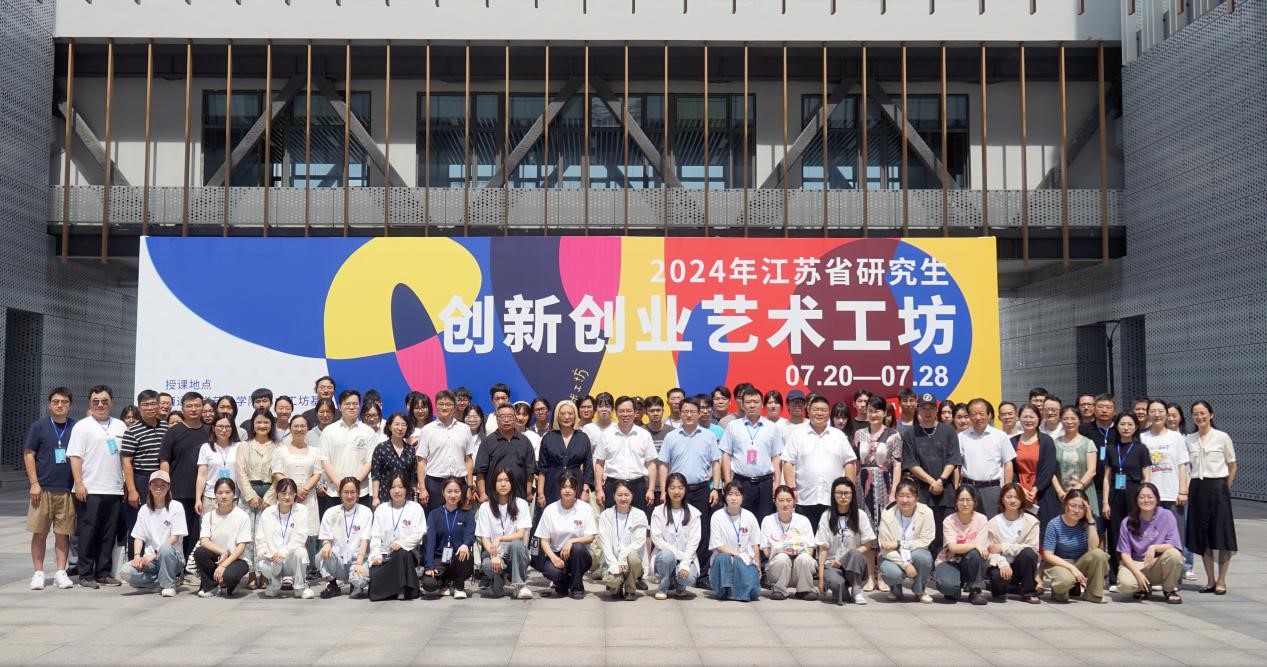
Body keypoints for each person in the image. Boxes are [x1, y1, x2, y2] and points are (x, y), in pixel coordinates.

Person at [67, 385, 127, 589]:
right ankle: (85, 574)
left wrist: (125, 485)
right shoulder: (82, 426)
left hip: (114, 489)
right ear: (90, 403)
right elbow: (75, 457)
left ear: (111, 402)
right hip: (90, 489)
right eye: (96, 401)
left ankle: (103, 572)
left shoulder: (120, 426)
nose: (100, 405)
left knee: (108, 533)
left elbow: (124, 458)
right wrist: (79, 483)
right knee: (88, 533)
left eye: (104, 401)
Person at [656, 398, 720, 587]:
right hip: (676, 491)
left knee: (702, 532)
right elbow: (663, 464)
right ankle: (672, 571)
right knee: (673, 530)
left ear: (699, 413)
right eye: (685, 411)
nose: (689, 415)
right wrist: (663, 490)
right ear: (680, 413)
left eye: (693, 411)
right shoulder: (671, 437)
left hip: (701, 489)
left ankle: (701, 575)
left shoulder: (708, 436)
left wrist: (716, 488)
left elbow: (716, 463)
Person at [24, 388, 77, 590]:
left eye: (64, 402)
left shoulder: (75, 427)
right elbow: (29, 454)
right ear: (49, 404)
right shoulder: (39, 426)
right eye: (56, 401)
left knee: (63, 534)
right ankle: (38, 573)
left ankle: (60, 573)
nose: (60, 405)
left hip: (67, 489)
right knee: (40, 533)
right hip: (43, 489)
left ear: (70, 405)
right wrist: (34, 483)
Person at [782, 394, 857, 532]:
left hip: (833, 498)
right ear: (808, 411)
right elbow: (787, 462)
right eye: (816, 409)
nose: (819, 413)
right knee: (806, 537)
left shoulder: (838, 436)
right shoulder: (798, 435)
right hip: (804, 498)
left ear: (829, 413)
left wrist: (848, 489)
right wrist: (791, 489)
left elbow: (849, 462)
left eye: (823, 410)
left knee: (832, 536)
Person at [901, 392, 961, 558]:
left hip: (945, 492)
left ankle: (945, 564)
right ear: (918, 410)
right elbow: (911, 463)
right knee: (923, 532)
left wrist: (941, 480)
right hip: (922, 492)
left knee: (945, 532)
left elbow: (953, 459)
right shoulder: (910, 434)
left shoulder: (948, 431)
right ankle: (925, 564)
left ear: (936, 410)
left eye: (931, 408)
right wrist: (932, 482)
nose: (927, 412)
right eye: (924, 408)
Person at [1185, 400, 1236, 595]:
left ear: (1211, 414)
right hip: (1197, 488)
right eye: (1195, 414)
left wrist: (1224, 489)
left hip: (1217, 487)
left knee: (1222, 534)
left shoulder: (1222, 437)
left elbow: (1232, 465)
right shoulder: (1189, 439)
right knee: (1202, 535)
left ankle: (1221, 580)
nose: (1199, 417)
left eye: (1203, 413)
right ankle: (1210, 580)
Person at [851, 394, 903, 588]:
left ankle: (882, 575)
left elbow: (897, 464)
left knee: (883, 527)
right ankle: (869, 577)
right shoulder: (859, 434)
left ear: (884, 413)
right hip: (862, 484)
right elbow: (856, 462)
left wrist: (894, 491)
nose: (873, 415)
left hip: (884, 482)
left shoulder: (893, 435)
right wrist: (852, 484)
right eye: (870, 411)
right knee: (866, 528)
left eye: (877, 411)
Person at [160, 391, 211, 561]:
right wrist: (166, 486)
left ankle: (192, 566)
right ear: (182, 409)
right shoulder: (173, 432)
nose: (193, 409)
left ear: (203, 407)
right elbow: (164, 460)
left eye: (197, 405)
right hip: (178, 491)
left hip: (204, 493)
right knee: (178, 531)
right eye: (189, 406)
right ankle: (176, 566)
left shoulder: (210, 432)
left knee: (199, 532)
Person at [273, 414, 325, 579]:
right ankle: (286, 569)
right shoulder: (280, 450)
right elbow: (277, 472)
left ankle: (308, 569)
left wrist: (304, 490)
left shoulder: (315, 451)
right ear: (290, 428)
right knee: (287, 531)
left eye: (303, 426)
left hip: (308, 496)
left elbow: (317, 473)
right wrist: (292, 492)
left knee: (308, 533)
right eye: (295, 426)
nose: (299, 429)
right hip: (286, 497)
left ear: (307, 428)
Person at [1102, 412, 1151, 586]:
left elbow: (1146, 476)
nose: (1126, 428)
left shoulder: (1141, 449)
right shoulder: (1110, 448)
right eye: (1122, 424)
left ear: (1136, 427)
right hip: (1115, 494)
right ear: (1116, 426)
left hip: (1134, 492)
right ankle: (1115, 576)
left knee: (1136, 531)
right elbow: (1107, 478)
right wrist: (1105, 502)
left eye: (1130, 424)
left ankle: (1139, 573)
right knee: (1115, 533)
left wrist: (1145, 498)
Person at [720, 387, 783, 520]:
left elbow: (776, 457)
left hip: (765, 483)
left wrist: (777, 482)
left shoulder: (771, 427)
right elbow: (726, 455)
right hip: (741, 482)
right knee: (740, 520)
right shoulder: (733, 426)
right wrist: (727, 481)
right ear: (743, 404)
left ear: (762, 404)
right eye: (748, 402)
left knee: (765, 520)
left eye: (756, 402)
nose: (752, 405)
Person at [120, 471, 187, 597]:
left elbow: (175, 537)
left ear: (168, 487)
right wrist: (137, 556)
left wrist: (155, 554)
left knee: (165, 548)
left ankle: (168, 585)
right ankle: (163, 581)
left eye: (163, 485)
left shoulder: (176, 507)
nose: (158, 488)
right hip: (150, 560)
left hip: (171, 557)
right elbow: (139, 537)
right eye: (155, 484)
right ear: (149, 487)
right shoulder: (144, 510)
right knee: (125, 572)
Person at [1116, 482, 1184, 603]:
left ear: (1157, 499)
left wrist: (1154, 547)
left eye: (1150, 497)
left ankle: (1169, 589)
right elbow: (1124, 553)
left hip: (1157, 562)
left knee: (1174, 554)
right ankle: (1143, 587)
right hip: (1137, 563)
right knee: (1124, 585)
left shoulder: (1167, 515)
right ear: (1136, 500)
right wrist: (1138, 574)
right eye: (1142, 497)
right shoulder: (1127, 522)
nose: (1146, 500)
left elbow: (1173, 543)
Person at [534, 470, 597, 599]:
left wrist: (571, 541)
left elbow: (590, 537)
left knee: (577, 548)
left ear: (576, 489)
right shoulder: (550, 510)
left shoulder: (585, 508)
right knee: (549, 570)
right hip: (557, 553)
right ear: (559, 488)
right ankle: (563, 583)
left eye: (571, 487)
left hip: (579, 555)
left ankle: (577, 587)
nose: (567, 490)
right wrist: (553, 558)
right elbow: (544, 540)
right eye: (564, 487)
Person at [120, 390, 167, 561]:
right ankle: (135, 563)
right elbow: (127, 462)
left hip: (161, 480)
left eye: (153, 403)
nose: (150, 408)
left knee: (160, 522)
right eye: (145, 405)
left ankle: (158, 562)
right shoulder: (132, 431)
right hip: (140, 480)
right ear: (139, 408)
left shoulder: (167, 428)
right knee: (137, 524)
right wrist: (132, 490)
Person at [475, 468, 533, 599]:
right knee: (487, 565)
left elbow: (520, 534)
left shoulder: (521, 504)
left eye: (507, 480)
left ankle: (519, 585)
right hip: (496, 555)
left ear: (512, 483)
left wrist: (500, 538)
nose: (503, 484)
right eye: (499, 480)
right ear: (493, 484)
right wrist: (494, 555)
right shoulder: (485, 508)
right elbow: (485, 539)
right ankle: (499, 580)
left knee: (517, 544)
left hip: (516, 555)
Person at [1042, 488, 1108, 603]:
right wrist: (1072, 568)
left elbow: (1094, 547)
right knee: (1063, 588)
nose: (1077, 510)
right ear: (1065, 504)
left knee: (1099, 554)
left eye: (1081, 507)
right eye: (1073, 505)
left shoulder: (1088, 524)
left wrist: (1090, 520)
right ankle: (1062, 589)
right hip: (1060, 564)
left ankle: (1093, 594)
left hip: (1079, 563)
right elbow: (1048, 555)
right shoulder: (1054, 524)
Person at [594, 395, 658, 513]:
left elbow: (651, 464)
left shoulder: (644, 435)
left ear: (635, 412)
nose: (625, 414)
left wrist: (651, 489)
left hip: (638, 486)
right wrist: (599, 489)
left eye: (629, 411)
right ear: (616, 412)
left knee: (638, 520)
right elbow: (599, 464)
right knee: (613, 520)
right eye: (621, 411)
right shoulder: (607, 435)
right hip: (613, 485)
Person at [815, 477, 873, 605]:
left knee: (855, 553)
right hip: (832, 564)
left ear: (852, 494)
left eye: (846, 493)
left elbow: (867, 545)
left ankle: (856, 589)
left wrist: (844, 559)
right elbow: (823, 548)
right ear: (833, 495)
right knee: (839, 589)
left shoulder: (860, 515)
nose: (843, 496)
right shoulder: (826, 516)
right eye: (839, 493)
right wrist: (821, 579)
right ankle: (844, 590)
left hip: (854, 563)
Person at [368, 474, 426, 601]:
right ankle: (398, 589)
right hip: (386, 554)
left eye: (400, 487)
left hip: (409, 553)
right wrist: (376, 555)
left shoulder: (415, 508)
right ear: (388, 489)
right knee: (374, 579)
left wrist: (402, 544)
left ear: (407, 489)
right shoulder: (381, 509)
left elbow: (419, 533)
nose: (397, 491)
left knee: (402, 554)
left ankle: (402, 589)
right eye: (393, 487)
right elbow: (375, 536)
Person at [237, 409, 278, 590]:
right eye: (258, 422)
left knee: (266, 535)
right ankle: (251, 573)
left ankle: (265, 573)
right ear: (252, 425)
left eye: (266, 422)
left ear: (271, 425)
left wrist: (269, 497)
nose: (262, 425)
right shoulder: (243, 446)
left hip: (270, 494)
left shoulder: (278, 447)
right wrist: (250, 495)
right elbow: (240, 472)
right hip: (248, 495)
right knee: (248, 535)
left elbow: (279, 473)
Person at [318, 390, 376, 517]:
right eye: (347, 404)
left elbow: (370, 461)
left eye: (355, 404)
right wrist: (341, 484)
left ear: (359, 406)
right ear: (340, 406)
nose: (351, 407)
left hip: (360, 492)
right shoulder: (329, 431)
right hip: (334, 491)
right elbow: (324, 460)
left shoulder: (368, 432)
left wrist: (354, 484)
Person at [417, 391, 475, 512]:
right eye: (441, 404)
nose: (444, 407)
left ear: (454, 406)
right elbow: (421, 461)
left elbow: (468, 460)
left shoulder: (464, 429)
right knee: (435, 518)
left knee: (460, 518)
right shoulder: (427, 430)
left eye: (448, 404)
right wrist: (422, 489)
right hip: (434, 483)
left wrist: (469, 487)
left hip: (460, 482)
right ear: (436, 406)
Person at [878, 479, 935, 603]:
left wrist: (899, 544)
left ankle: (920, 590)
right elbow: (885, 546)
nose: (904, 500)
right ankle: (895, 589)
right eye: (901, 496)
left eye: (909, 496)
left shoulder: (926, 512)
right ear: (896, 497)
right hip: (892, 555)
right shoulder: (887, 513)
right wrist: (906, 565)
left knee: (924, 558)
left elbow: (925, 540)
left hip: (915, 552)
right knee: (891, 573)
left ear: (917, 498)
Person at [957, 397, 1015, 518]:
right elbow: (956, 466)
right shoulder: (961, 437)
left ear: (989, 415)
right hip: (968, 488)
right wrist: (957, 488)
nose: (978, 417)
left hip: (992, 489)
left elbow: (1008, 463)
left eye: (981, 413)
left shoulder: (1000, 436)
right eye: (974, 414)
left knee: (992, 523)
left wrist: (1006, 489)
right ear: (969, 416)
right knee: (968, 522)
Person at [255, 478, 313, 599]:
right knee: (263, 563)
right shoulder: (268, 512)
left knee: (301, 552)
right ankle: (274, 584)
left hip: (290, 558)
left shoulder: (301, 510)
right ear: (277, 494)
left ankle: (300, 587)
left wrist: (284, 552)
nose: (287, 497)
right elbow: (261, 538)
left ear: (295, 495)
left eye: (291, 493)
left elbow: (300, 537)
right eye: (283, 493)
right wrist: (271, 554)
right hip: (273, 558)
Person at [193, 477, 251, 598]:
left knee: (229, 576)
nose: (224, 496)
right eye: (220, 493)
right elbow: (204, 541)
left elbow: (241, 546)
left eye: (228, 492)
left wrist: (224, 565)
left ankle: (229, 585)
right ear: (215, 495)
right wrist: (222, 552)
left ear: (234, 494)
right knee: (200, 552)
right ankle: (211, 586)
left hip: (236, 559)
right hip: (217, 558)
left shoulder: (242, 516)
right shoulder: (209, 516)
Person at [933, 485, 990, 605]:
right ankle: (955, 588)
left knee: (976, 554)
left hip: (970, 561)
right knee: (948, 588)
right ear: (955, 502)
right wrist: (974, 544)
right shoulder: (949, 520)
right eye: (961, 500)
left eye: (968, 500)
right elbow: (952, 547)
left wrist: (975, 546)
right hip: (949, 560)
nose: (965, 504)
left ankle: (975, 590)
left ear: (974, 502)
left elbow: (980, 548)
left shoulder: (982, 519)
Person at [986, 482, 1042, 603]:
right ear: (1002, 499)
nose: (1012, 500)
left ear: (1022, 500)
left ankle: (1028, 592)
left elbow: (1033, 549)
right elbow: (990, 550)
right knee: (997, 580)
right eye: (1009, 497)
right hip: (1001, 566)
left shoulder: (1031, 521)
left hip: (1020, 566)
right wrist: (1003, 563)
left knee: (1028, 553)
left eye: (1017, 497)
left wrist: (1003, 547)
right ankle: (1004, 588)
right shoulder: (993, 523)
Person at [317, 477, 372, 599]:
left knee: (359, 579)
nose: (349, 496)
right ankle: (333, 585)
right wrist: (326, 544)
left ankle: (356, 585)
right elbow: (326, 536)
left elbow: (365, 539)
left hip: (357, 559)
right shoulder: (330, 512)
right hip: (339, 560)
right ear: (340, 493)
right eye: (346, 492)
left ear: (358, 493)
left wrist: (358, 563)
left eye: (353, 492)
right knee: (321, 556)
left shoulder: (366, 512)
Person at [708, 481, 763, 602]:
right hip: (725, 561)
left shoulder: (750, 516)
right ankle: (725, 590)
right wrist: (738, 554)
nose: (734, 498)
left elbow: (755, 545)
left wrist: (758, 567)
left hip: (745, 561)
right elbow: (717, 545)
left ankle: (735, 592)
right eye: (730, 494)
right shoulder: (717, 516)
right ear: (724, 495)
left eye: (737, 494)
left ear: (743, 496)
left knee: (754, 592)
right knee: (723, 557)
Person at [421, 477, 476, 599]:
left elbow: (471, 534)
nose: (453, 495)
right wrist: (429, 566)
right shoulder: (434, 514)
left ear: (461, 493)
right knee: (428, 584)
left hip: (458, 558)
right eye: (449, 491)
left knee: (465, 554)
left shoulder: (467, 513)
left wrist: (466, 544)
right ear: (443, 493)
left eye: (457, 491)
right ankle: (444, 583)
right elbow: (430, 542)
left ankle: (459, 586)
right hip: (440, 558)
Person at [650, 473, 702, 600]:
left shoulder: (694, 513)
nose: (676, 492)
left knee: (688, 577)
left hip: (686, 557)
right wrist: (678, 554)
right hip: (665, 557)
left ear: (685, 489)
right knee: (666, 556)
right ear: (666, 490)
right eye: (672, 488)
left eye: (680, 488)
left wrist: (685, 563)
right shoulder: (658, 511)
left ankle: (680, 586)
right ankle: (663, 587)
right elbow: (657, 539)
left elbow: (694, 541)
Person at [536, 399, 594, 512]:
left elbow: (588, 467)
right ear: (557, 416)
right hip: (551, 485)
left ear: (575, 416)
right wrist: (540, 493)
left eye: (570, 413)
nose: (566, 417)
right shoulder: (548, 438)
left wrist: (585, 490)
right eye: (562, 413)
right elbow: (542, 469)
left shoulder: (583, 438)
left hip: (576, 485)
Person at [1010, 404, 1060, 535]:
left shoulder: (1047, 441)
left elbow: (1048, 468)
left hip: (1042, 490)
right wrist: (1020, 488)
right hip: (1020, 490)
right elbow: (1011, 469)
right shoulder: (1012, 441)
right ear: (1019, 418)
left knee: (1045, 528)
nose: (1028, 420)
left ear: (1039, 418)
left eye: (1032, 417)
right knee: (1020, 529)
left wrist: (1035, 489)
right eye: (1024, 417)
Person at [761, 485, 817, 601]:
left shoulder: (803, 520)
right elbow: (766, 552)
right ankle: (779, 590)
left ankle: (805, 590)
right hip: (778, 569)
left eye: (788, 500)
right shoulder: (768, 520)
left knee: (805, 558)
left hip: (799, 570)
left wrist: (779, 547)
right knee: (782, 557)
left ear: (794, 501)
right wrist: (794, 546)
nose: (785, 504)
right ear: (775, 502)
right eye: (781, 500)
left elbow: (810, 550)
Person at [598, 480, 650, 600]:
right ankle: (617, 585)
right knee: (612, 580)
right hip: (611, 561)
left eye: (627, 495)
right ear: (613, 496)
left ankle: (630, 588)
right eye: (619, 495)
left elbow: (639, 542)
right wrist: (614, 565)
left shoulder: (640, 514)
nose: (623, 498)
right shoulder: (606, 515)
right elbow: (605, 544)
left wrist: (622, 557)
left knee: (633, 557)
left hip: (631, 561)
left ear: (632, 495)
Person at [475, 404, 537, 502]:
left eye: (510, 416)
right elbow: (480, 471)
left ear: (515, 418)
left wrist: (528, 492)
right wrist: (482, 494)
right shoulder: (487, 442)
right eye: (502, 416)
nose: (506, 420)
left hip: (519, 497)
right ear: (497, 419)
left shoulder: (525, 441)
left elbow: (530, 470)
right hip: (493, 498)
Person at [1140, 400, 1190, 517]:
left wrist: (1183, 492)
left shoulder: (1176, 437)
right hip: (1150, 495)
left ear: (1166, 414)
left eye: (1160, 411)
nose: (1157, 414)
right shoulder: (1142, 438)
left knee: (1175, 528)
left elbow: (1182, 466)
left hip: (1173, 494)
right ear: (1148, 415)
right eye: (1153, 411)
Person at [1052, 406, 1099, 522]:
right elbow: (1050, 471)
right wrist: (1060, 492)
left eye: (1073, 418)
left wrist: (1076, 490)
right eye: (1065, 418)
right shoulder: (1054, 443)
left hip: (1084, 493)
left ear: (1079, 420)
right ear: (1060, 420)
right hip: (1061, 496)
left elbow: (1092, 470)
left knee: (1087, 527)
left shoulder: (1088, 443)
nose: (1069, 422)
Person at [194, 415, 241, 515]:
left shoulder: (239, 446)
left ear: (232, 428)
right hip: (211, 497)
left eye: (227, 427)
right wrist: (198, 499)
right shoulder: (206, 448)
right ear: (213, 428)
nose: (224, 430)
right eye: (220, 426)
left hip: (233, 497)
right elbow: (202, 476)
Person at [371, 413, 417, 507]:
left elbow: (413, 477)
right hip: (385, 495)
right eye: (397, 424)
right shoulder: (381, 448)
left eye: (403, 425)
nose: (400, 428)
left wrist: (415, 498)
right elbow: (376, 475)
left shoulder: (410, 450)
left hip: (406, 497)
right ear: (389, 426)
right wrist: (375, 497)